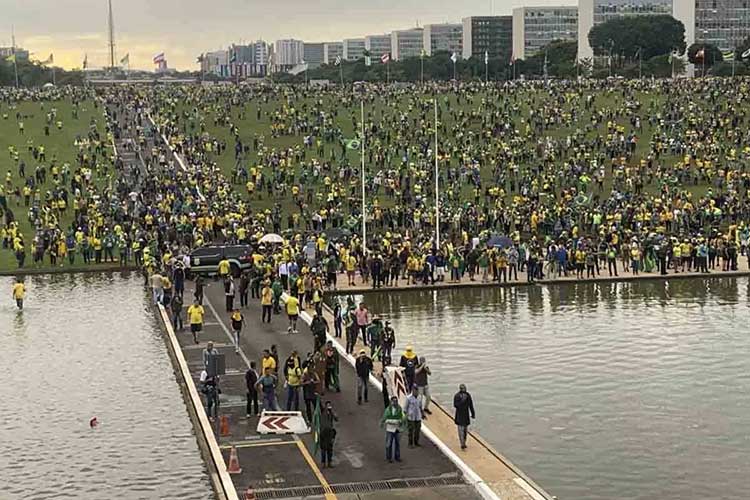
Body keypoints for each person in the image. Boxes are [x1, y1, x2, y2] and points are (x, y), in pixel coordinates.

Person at [381, 396, 405, 463]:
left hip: (397, 429)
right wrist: (394, 421)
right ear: (391, 402)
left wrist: (401, 421)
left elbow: (402, 417)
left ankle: (397, 457)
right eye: (394, 401)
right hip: (390, 429)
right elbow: (385, 419)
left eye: (396, 401)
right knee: (389, 444)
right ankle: (389, 457)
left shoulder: (399, 409)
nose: (395, 402)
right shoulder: (388, 410)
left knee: (397, 444)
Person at [453, 384, 476, 450]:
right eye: (462, 388)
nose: (464, 389)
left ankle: (464, 442)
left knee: (465, 431)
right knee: (461, 430)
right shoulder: (457, 396)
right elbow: (455, 405)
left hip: (466, 415)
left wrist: (473, 413)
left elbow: (470, 404)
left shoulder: (468, 395)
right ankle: (462, 444)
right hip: (459, 415)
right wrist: (462, 401)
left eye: (464, 388)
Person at [320, 400, 338, 468]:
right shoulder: (322, 411)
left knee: (330, 449)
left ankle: (329, 462)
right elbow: (318, 405)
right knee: (323, 449)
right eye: (327, 405)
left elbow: (336, 419)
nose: (329, 406)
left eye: (330, 405)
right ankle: (323, 462)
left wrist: (332, 412)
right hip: (323, 432)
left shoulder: (331, 413)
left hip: (330, 432)